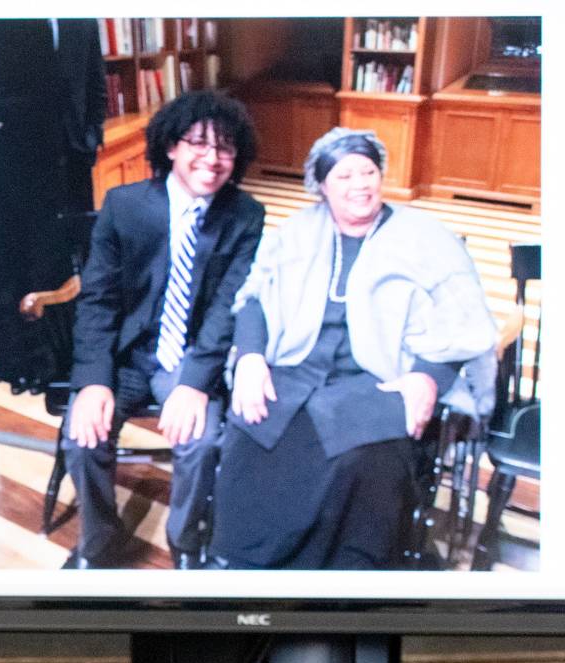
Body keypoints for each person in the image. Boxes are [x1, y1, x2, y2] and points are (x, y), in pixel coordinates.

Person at [212, 128, 498, 569]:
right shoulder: (296, 231)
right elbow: (253, 299)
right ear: (321, 186)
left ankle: (346, 579)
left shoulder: (426, 236)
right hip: (297, 367)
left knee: (362, 461)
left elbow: (462, 320)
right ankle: (246, 569)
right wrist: (250, 357)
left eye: (368, 172)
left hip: (381, 378)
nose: (360, 185)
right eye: (344, 176)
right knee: (250, 434)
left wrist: (427, 377)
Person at [61, 91, 265, 569]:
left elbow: (227, 309)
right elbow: (98, 301)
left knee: (203, 439)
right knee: (82, 437)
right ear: (171, 147)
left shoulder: (244, 215)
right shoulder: (125, 206)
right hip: (127, 356)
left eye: (225, 148)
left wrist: (195, 383)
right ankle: (100, 541)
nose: (212, 159)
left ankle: (187, 542)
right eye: (198, 143)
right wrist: (92, 380)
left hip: (192, 355)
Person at [0, 18, 106, 390]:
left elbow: (94, 80)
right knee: (7, 257)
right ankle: (14, 362)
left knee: (66, 255)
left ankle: (60, 356)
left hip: (72, 156)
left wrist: (92, 135)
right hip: (7, 155)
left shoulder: (83, 17)